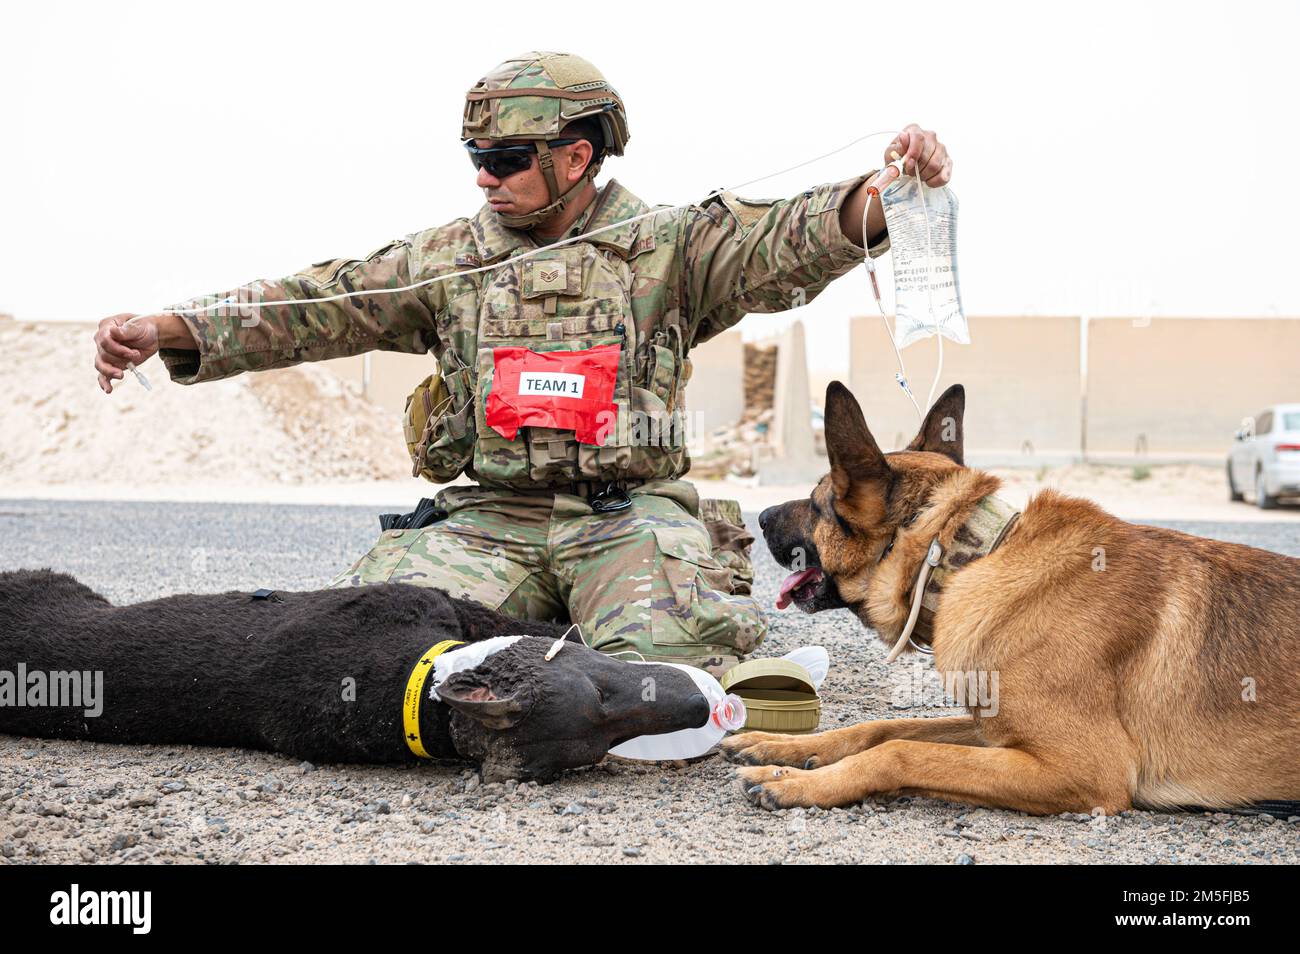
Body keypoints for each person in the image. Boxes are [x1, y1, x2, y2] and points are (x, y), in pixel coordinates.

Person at [92, 51, 952, 674]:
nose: (483, 180)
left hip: (623, 520)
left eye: (505, 161)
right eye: (476, 161)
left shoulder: (671, 249)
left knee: (671, 661)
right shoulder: (452, 258)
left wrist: (889, 194)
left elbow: (786, 239)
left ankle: (578, 631)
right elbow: (319, 303)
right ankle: (541, 636)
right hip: (486, 521)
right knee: (376, 642)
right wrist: (170, 326)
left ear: (575, 158)